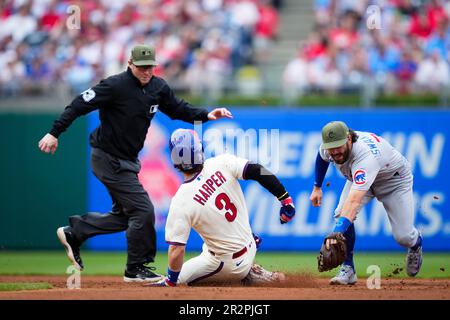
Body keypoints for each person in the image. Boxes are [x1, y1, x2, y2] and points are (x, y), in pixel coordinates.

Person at [38, 44, 233, 283]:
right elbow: (79, 104)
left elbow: (176, 108)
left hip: (128, 160)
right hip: (107, 158)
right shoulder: (114, 85)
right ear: (130, 63)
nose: (146, 71)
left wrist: (205, 114)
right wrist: (54, 132)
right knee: (143, 210)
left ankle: (75, 232)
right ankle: (136, 269)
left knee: (128, 216)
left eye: (150, 66)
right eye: (141, 67)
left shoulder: (157, 87)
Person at [151, 129, 296, 286]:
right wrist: (285, 199)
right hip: (249, 243)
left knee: (177, 279)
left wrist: (171, 281)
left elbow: (176, 250)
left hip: (226, 264)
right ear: (200, 150)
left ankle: (243, 275)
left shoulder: (181, 200)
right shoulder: (221, 163)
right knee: (210, 247)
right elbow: (257, 170)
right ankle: (255, 273)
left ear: (175, 160)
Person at [310, 121, 423, 285]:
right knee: (340, 212)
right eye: (331, 147)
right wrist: (317, 187)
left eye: (338, 146)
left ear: (349, 139)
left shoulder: (364, 155)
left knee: (403, 236)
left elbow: (354, 201)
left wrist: (336, 233)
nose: (334, 151)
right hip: (360, 179)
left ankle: (416, 243)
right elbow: (321, 158)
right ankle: (348, 270)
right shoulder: (328, 148)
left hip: (393, 181)